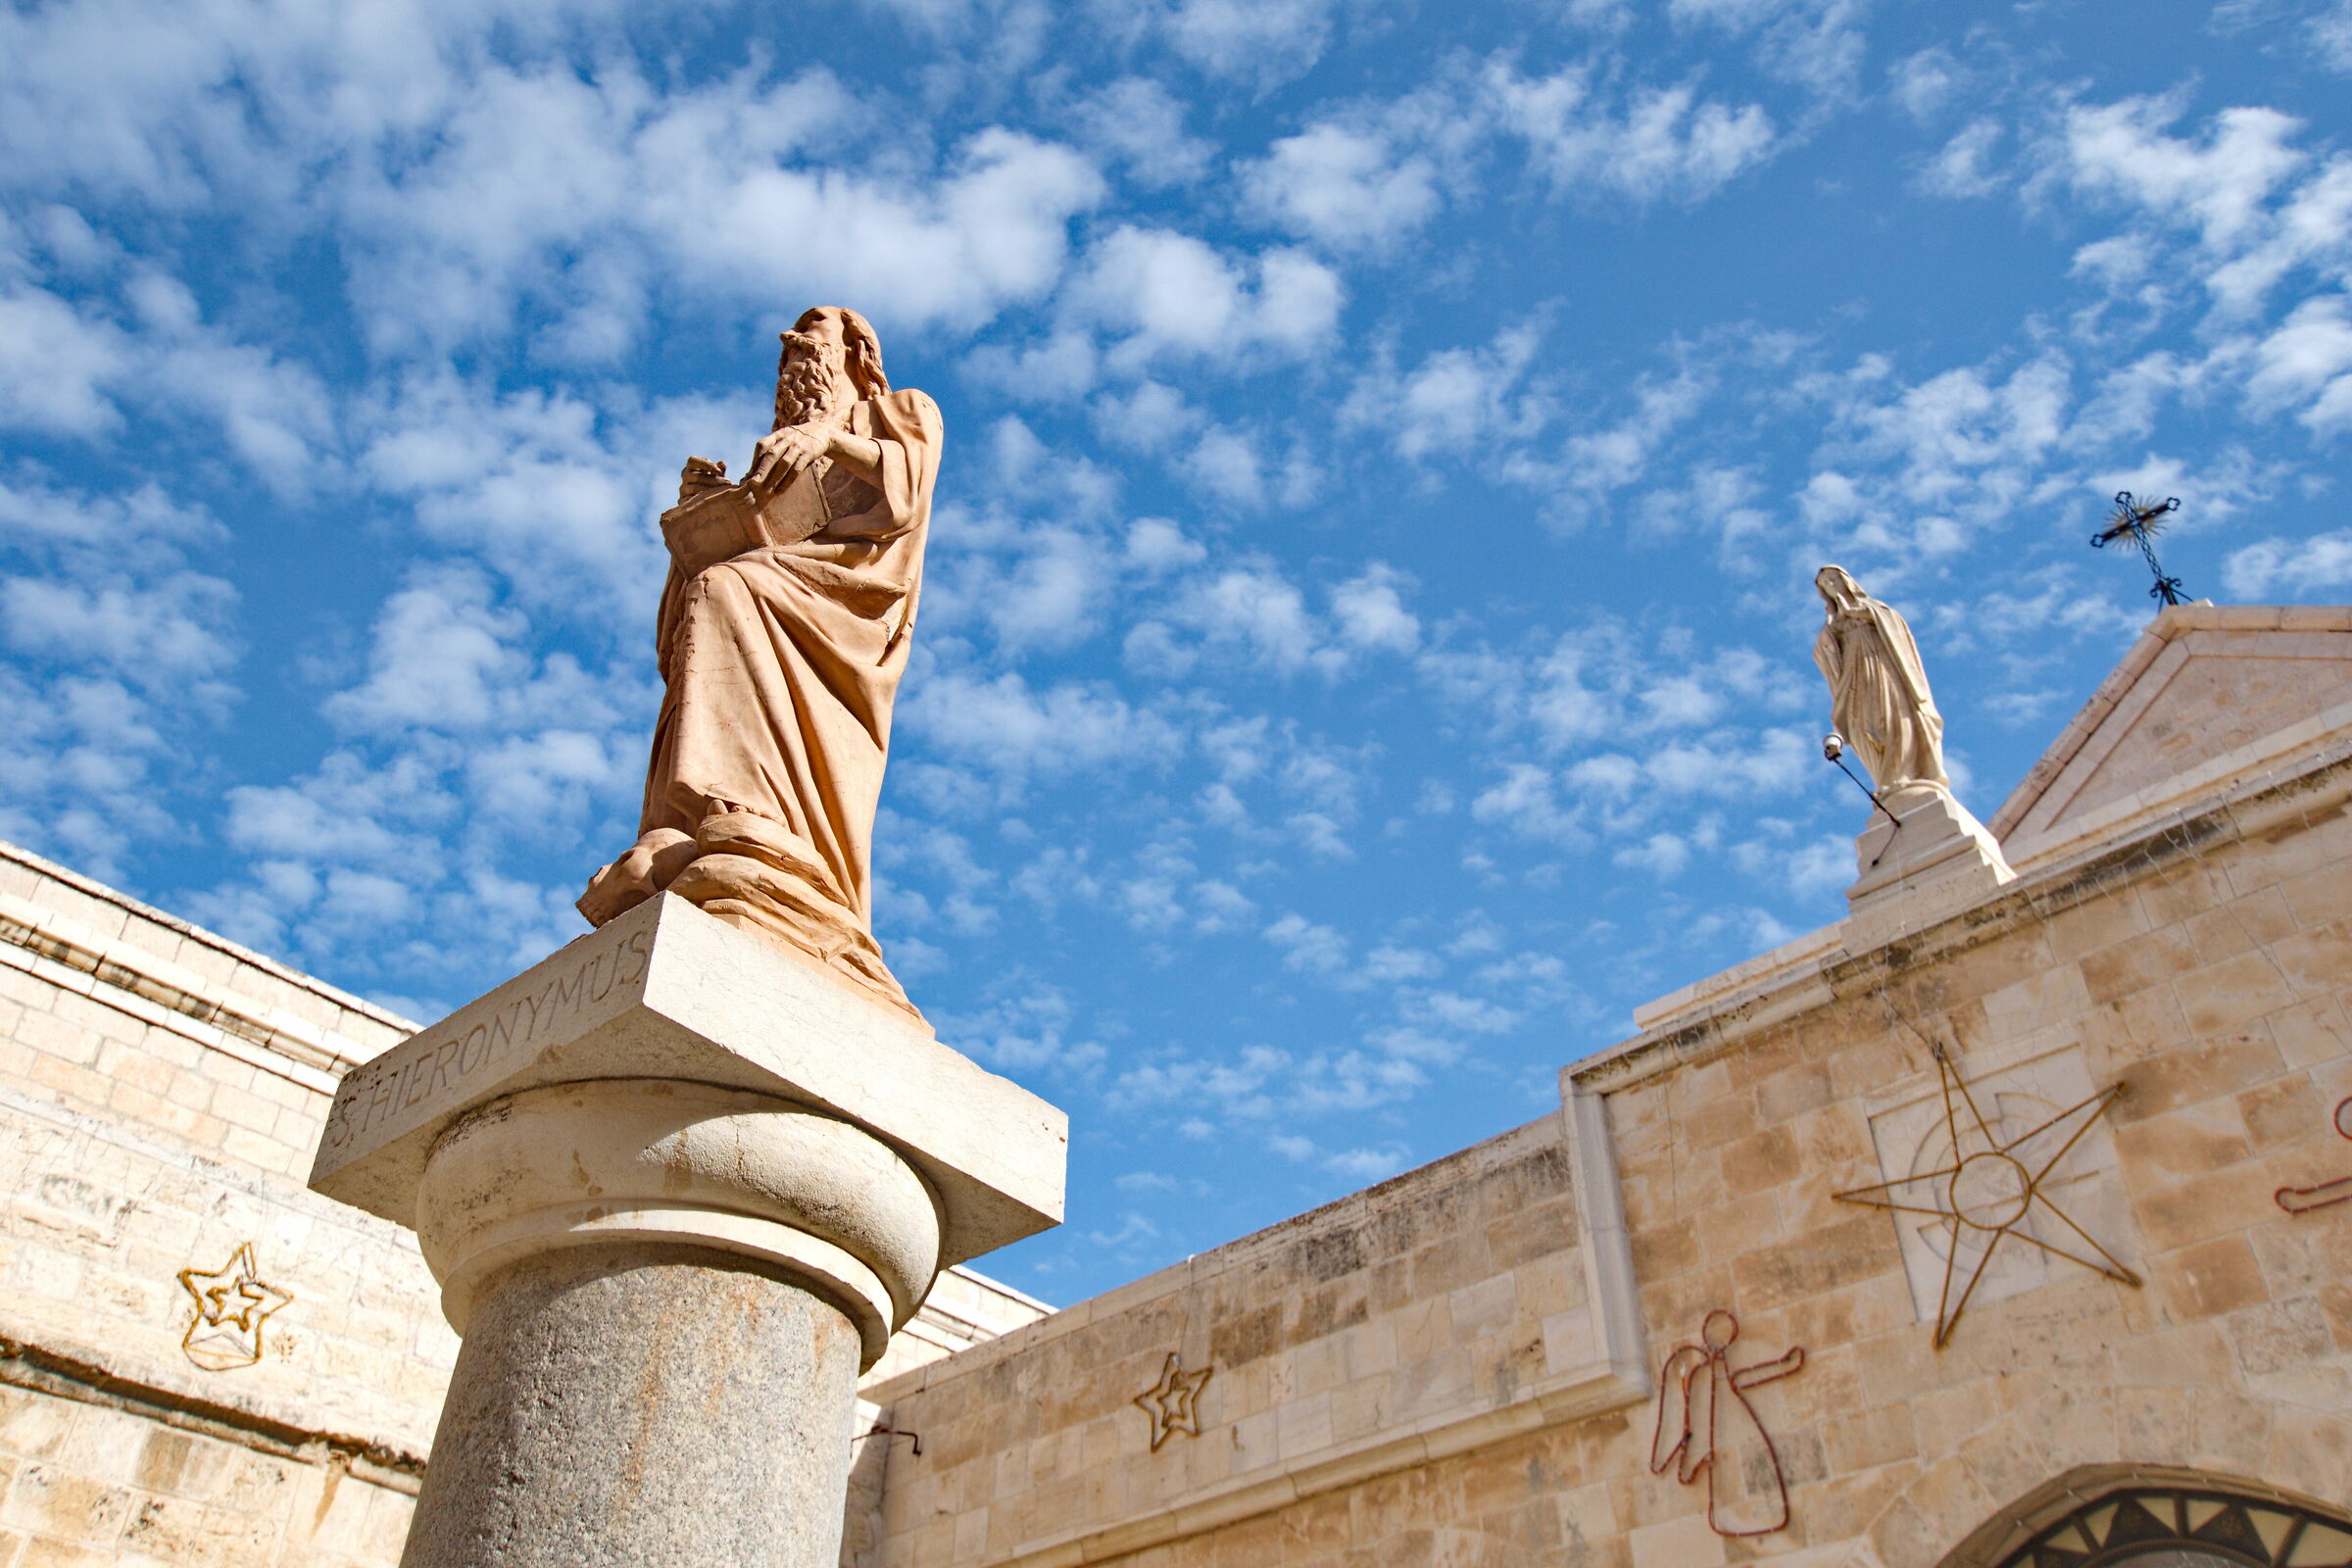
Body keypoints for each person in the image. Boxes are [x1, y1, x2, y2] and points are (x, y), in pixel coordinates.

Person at [578, 307, 943, 1013]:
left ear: (857, 353)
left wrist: (829, 439)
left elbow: (905, 490)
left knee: (730, 587)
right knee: (711, 596)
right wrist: (703, 514)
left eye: (813, 330)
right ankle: (692, 823)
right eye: (789, 341)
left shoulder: (897, 410)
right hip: (758, 587)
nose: (790, 344)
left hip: (841, 607)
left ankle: (757, 828)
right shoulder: (774, 455)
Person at [1813, 564, 1948, 796]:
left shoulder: (1875, 609)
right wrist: (1831, 633)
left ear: (1846, 581)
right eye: (1826, 585)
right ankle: (1887, 779)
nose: (1831, 586)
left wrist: (1862, 614)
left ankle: (1906, 774)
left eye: (1833, 579)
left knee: (1896, 715)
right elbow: (1825, 652)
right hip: (1854, 676)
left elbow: (1895, 630)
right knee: (1863, 724)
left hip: (1883, 667)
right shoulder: (1833, 624)